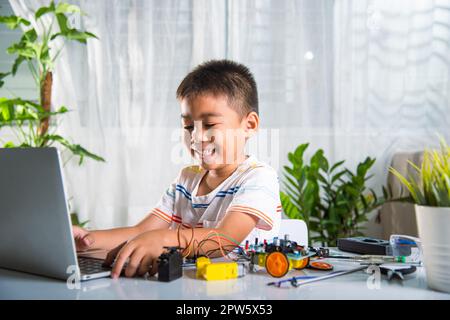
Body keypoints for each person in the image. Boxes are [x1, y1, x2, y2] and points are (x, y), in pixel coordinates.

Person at [73, 60, 281, 279]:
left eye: (209, 125)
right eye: (189, 126)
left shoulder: (259, 178)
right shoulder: (186, 179)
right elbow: (141, 232)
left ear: (249, 125)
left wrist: (164, 239)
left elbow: (225, 239)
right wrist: (87, 240)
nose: (197, 137)